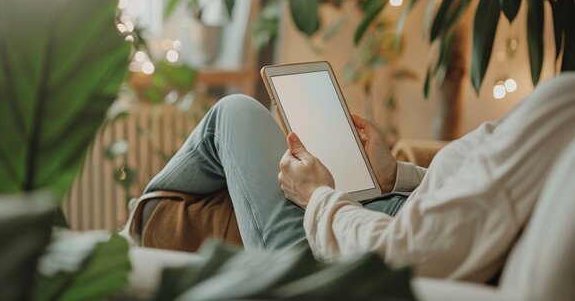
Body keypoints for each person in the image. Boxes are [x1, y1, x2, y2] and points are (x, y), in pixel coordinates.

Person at [133, 72, 575, 282]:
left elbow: (410, 252)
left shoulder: (565, 109)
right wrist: (393, 176)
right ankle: (141, 224)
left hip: (331, 257)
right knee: (248, 124)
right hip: (385, 212)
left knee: (235, 112)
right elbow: (479, 200)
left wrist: (320, 196)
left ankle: (139, 226)